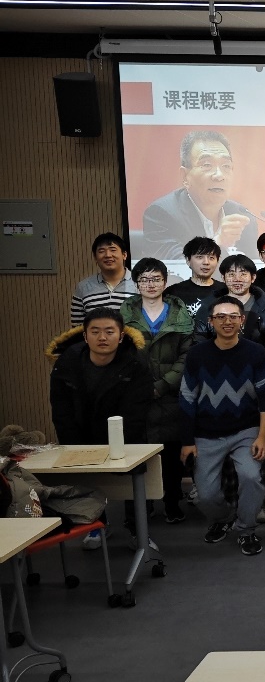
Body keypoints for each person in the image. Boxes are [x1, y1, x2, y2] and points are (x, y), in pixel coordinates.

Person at [47, 307, 152, 549]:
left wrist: (117, 447)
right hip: (81, 434)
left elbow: (136, 412)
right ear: (85, 336)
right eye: (95, 332)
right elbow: (61, 411)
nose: (102, 337)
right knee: (88, 483)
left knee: (135, 484)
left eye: (109, 331)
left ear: (121, 336)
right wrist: (73, 447)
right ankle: (96, 525)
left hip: (125, 435)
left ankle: (139, 532)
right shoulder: (67, 363)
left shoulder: (135, 364)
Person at [179, 296, 265, 556]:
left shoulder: (256, 352)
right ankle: (224, 518)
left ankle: (246, 530)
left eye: (233, 316)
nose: (227, 321)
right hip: (206, 434)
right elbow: (186, 398)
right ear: (211, 322)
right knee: (205, 495)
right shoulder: (197, 355)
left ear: (242, 320)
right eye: (220, 317)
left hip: (246, 430)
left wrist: (262, 435)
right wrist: (187, 441)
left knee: (251, 477)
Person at [120, 259, 195, 523]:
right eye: (144, 279)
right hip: (136, 398)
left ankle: (172, 502)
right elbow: (120, 357)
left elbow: (187, 356)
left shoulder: (181, 315)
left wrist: (162, 385)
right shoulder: (123, 316)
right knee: (138, 453)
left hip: (171, 395)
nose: (150, 284)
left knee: (172, 455)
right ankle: (144, 506)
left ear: (165, 282)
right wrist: (141, 389)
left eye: (156, 279)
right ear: (136, 284)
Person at [141, 130, 258, 262]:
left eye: (226, 166)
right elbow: (177, 266)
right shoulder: (162, 214)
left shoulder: (243, 217)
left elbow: (253, 267)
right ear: (185, 176)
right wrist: (218, 242)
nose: (219, 175)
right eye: (207, 165)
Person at [195, 255, 265, 352]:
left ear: (253, 277)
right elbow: (199, 342)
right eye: (231, 274)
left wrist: (257, 360)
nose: (237, 279)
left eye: (243, 274)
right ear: (223, 278)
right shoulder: (208, 307)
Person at [70, 232, 137, 325]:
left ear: (124, 255)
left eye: (113, 250)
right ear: (95, 257)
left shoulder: (140, 284)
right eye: (101, 251)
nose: (108, 255)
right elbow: (78, 328)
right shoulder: (83, 287)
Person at [163, 237, 222, 319]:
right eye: (200, 257)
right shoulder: (173, 292)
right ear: (188, 260)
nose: (206, 262)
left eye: (211, 258)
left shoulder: (225, 290)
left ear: (217, 261)